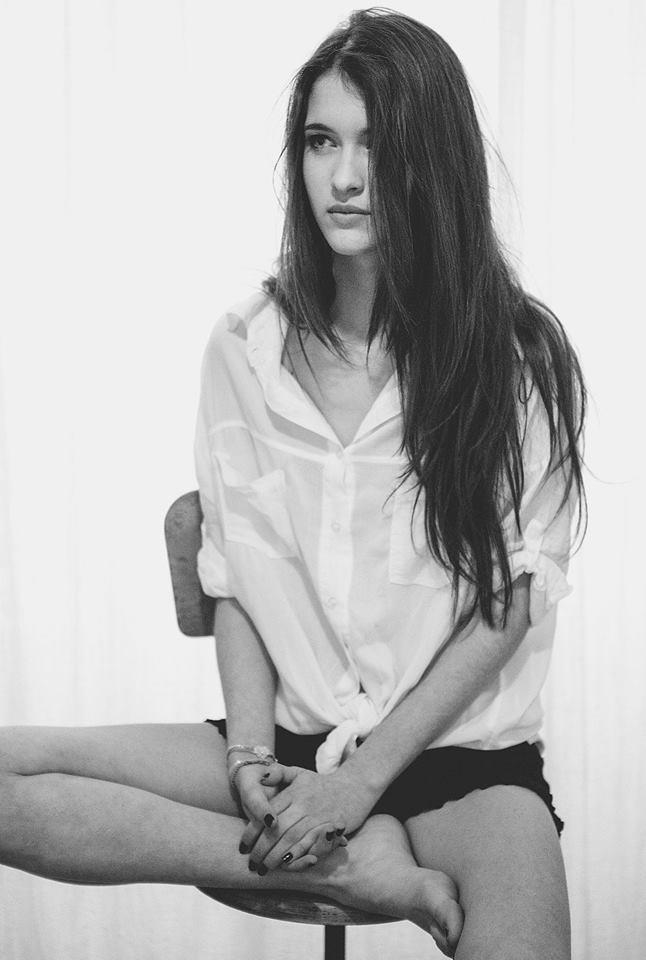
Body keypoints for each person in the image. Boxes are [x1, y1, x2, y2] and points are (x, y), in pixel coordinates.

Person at [0, 8, 586, 959]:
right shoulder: (244, 348)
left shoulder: (517, 359)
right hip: (286, 741)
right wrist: (247, 759)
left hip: (462, 760)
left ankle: (349, 847)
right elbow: (239, 579)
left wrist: (357, 787)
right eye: (321, 141)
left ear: (433, 160)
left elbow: (506, 608)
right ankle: (334, 870)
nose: (344, 177)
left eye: (375, 144)